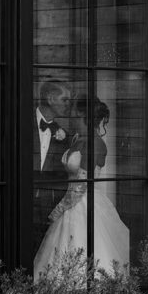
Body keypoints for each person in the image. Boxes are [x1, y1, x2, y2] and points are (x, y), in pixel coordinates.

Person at [33, 96, 129, 281]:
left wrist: (58, 210)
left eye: (75, 114)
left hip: (80, 201)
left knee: (81, 249)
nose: (71, 117)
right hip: (71, 199)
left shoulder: (96, 143)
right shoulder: (77, 138)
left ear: (83, 116)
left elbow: (82, 184)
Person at [33, 80, 73, 253]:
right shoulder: (20, 124)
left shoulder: (64, 136)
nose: (68, 104)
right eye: (65, 100)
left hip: (46, 206)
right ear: (50, 98)